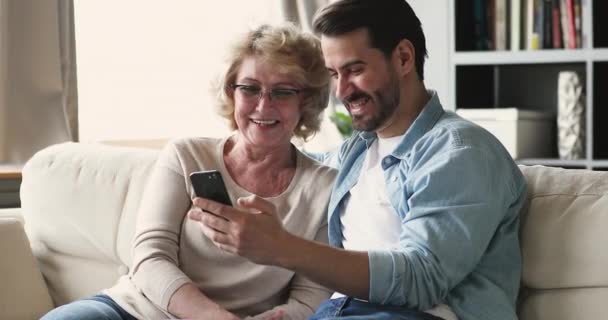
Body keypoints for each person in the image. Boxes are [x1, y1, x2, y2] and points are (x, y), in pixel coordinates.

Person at [190, 1, 528, 319]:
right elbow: (286, 165)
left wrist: (283, 248)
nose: (341, 91)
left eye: (354, 70)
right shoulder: (356, 152)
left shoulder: (459, 151)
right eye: (334, 74)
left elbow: (421, 278)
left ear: (404, 58)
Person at [40, 23, 337, 320]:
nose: (263, 105)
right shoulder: (188, 155)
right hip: (136, 310)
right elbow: (150, 257)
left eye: (282, 92)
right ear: (231, 93)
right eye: (249, 88)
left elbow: (311, 296)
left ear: (306, 101)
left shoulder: (324, 187)